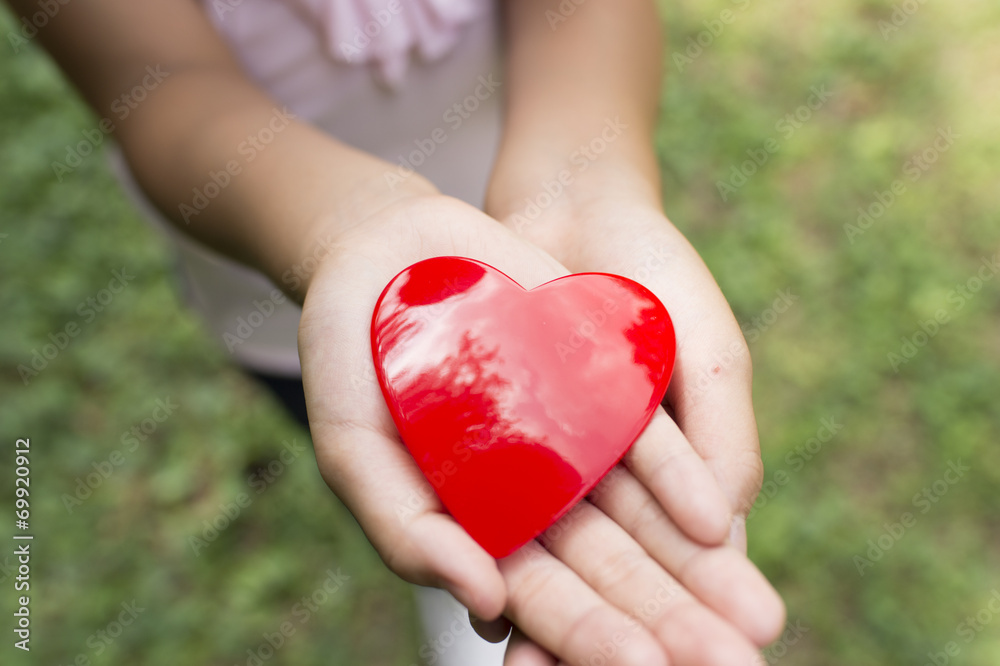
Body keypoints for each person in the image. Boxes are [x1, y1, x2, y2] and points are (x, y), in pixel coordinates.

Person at [7, 0, 786, 663]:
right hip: (304, 287)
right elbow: (155, 85)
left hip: (520, 182)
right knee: (378, 438)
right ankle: (466, 552)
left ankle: (485, 542)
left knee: (493, 447)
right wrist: (342, 230)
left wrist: (583, 187)